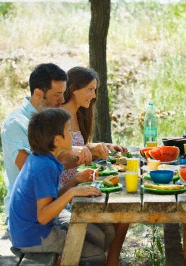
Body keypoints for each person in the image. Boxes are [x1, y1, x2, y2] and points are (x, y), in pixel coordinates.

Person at [9, 108, 111, 264]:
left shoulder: (44, 159)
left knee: (104, 232)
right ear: (57, 140)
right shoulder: (44, 166)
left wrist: (75, 180)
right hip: (33, 236)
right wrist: (73, 192)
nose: (72, 135)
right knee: (95, 255)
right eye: (68, 131)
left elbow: (51, 200)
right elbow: (43, 217)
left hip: (30, 229)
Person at [1, 63, 93, 223]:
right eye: (57, 94)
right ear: (37, 93)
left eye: (64, 93)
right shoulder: (16, 124)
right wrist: (71, 151)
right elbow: (31, 173)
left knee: (104, 224)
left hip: (55, 201)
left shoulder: (49, 119)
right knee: (92, 229)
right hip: (30, 215)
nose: (63, 100)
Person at [60, 66, 129, 265]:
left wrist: (98, 147)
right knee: (117, 214)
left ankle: (111, 260)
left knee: (123, 210)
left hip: (78, 182)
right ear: (74, 89)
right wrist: (85, 154)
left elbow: (76, 148)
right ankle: (105, 260)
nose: (94, 95)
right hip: (63, 190)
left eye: (95, 90)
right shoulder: (58, 117)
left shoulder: (79, 114)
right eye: (90, 89)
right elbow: (57, 157)